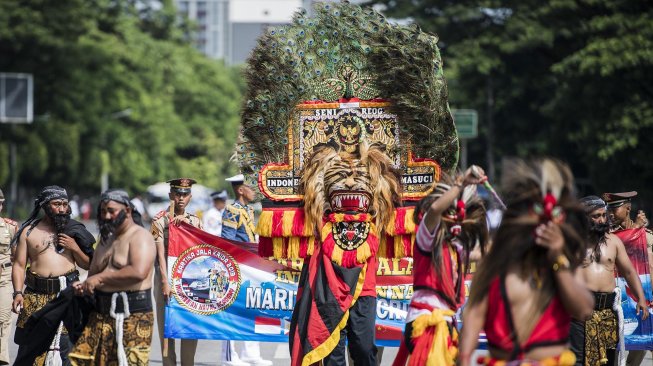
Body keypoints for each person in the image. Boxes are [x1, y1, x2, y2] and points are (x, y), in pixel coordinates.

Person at [460, 159, 595, 366]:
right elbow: (475, 312)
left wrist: (557, 259)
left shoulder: (565, 263)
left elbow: (584, 309)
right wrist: (464, 358)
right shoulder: (497, 264)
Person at [392, 167, 489, 366]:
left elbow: (483, 253)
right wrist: (461, 184)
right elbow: (435, 210)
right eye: (451, 214)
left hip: (446, 324)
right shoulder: (427, 239)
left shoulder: (456, 250)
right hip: (427, 324)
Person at [68, 189, 156, 365]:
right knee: (85, 361)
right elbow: (93, 274)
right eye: (102, 211)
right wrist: (84, 284)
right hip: (100, 315)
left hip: (133, 315)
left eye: (111, 210)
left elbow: (139, 272)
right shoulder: (105, 240)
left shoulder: (141, 237)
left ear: (127, 211)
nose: (106, 216)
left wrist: (101, 279)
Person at [11, 185, 95, 365]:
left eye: (65, 203)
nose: (63, 208)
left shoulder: (74, 230)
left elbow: (88, 264)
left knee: (70, 347)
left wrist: (74, 247)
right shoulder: (29, 231)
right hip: (36, 296)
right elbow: (18, 265)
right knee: (31, 348)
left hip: (66, 295)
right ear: (45, 205)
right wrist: (18, 293)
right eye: (57, 204)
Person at [572, 196, 648, 366]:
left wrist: (641, 298)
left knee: (608, 361)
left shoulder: (613, 242)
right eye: (595, 216)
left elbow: (628, 272)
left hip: (607, 312)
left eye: (603, 215)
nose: (601, 220)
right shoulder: (573, 243)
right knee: (578, 361)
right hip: (580, 312)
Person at [151, 178, 203, 366]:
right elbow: (158, 256)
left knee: (190, 329)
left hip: (189, 281)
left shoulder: (195, 221)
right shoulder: (159, 221)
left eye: (185, 194)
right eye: (177, 194)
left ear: (190, 197)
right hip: (165, 278)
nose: (181, 198)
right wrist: (165, 281)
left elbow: (202, 250)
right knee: (167, 331)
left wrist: (187, 227)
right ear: (170, 195)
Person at [220, 174, 271, 366]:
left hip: (250, 266)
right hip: (237, 266)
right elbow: (227, 241)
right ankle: (229, 357)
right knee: (232, 311)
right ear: (241, 190)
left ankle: (250, 353)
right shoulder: (232, 210)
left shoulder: (247, 210)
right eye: (251, 187)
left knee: (251, 309)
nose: (254, 191)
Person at [603, 192, 653, 366]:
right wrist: (635, 231)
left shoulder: (646, 237)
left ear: (628, 208)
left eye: (614, 208)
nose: (609, 213)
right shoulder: (608, 237)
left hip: (645, 303)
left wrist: (638, 231)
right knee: (614, 356)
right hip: (617, 305)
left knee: (638, 354)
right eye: (607, 208)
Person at [0, 188, 17, 365]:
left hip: (3, 277)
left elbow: (17, 257)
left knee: (3, 317)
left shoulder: (10, 227)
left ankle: (2, 358)